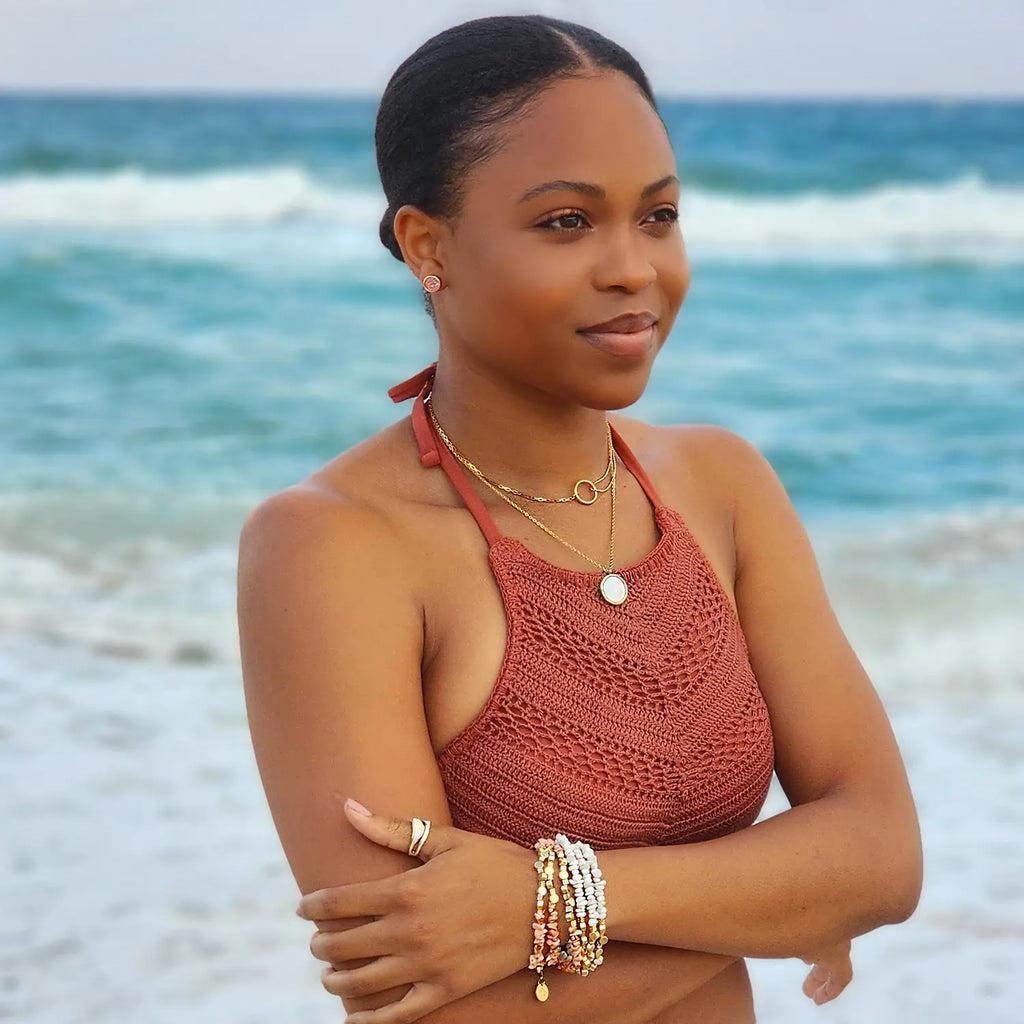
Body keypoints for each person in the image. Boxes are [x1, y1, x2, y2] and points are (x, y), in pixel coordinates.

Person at [236, 14, 922, 1024]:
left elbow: (882, 853)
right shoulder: (334, 545)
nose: (632, 268)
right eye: (565, 221)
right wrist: (768, 904)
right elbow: (427, 997)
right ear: (428, 246)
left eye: (658, 216)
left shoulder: (721, 486)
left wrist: (544, 899)